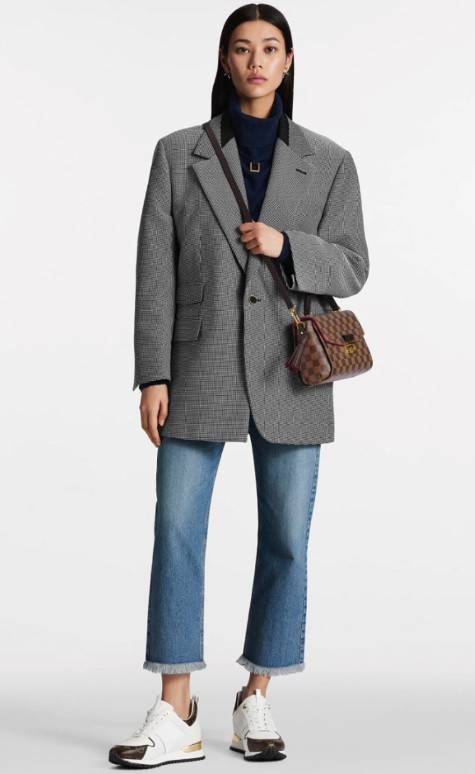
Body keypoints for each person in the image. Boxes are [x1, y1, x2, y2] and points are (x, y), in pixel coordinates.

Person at [109, 3, 369, 768]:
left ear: (287, 62)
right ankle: (175, 708)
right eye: (242, 48)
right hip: (197, 365)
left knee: (286, 538)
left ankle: (257, 694)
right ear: (224, 61)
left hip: (292, 369)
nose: (256, 61)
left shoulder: (330, 160)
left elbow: (353, 265)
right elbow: (155, 269)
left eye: (270, 48)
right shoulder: (176, 153)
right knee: (176, 529)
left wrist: (288, 245)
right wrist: (152, 372)